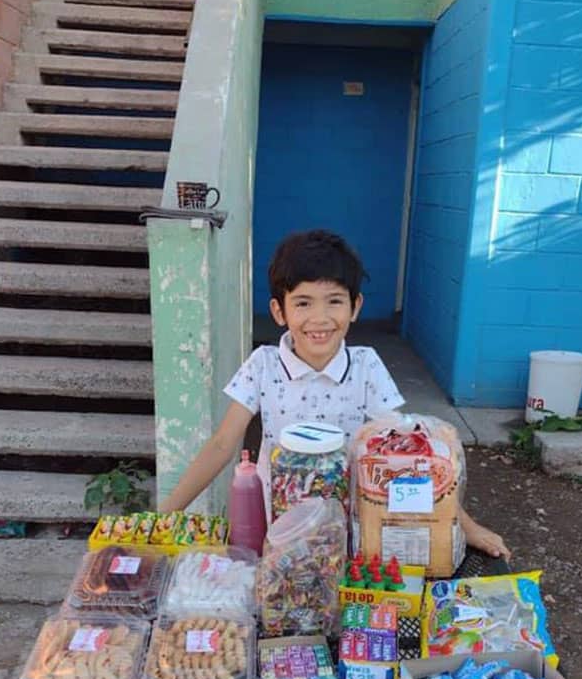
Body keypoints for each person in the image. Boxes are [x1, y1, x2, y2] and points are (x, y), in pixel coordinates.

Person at [162, 229, 510, 561]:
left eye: (334, 301)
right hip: (278, 529)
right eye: (303, 303)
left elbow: (408, 454)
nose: (320, 318)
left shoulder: (365, 367)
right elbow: (222, 444)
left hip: (349, 531)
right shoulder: (263, 365)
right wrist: (164, 517)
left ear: (355, 306)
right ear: (279, 311)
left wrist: (467, 527)